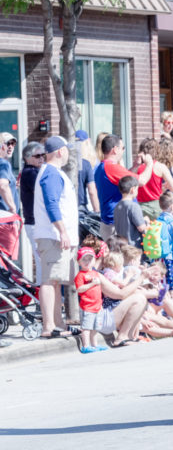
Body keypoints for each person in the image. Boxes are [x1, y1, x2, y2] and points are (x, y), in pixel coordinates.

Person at [34, 136, 80, 338]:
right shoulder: (51, 174)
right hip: (54, 235)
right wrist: (62, 231)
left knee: (55, 280)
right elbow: (52, 204)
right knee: (50, 279)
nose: (69, 152)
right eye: (67, 149)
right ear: (60, 151)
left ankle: (57, 323)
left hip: (54, 235)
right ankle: (49, 326)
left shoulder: (52, 173)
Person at [135, 137, 173, 220]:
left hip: (140, 206)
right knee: (157, 231)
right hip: (156, 206)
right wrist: (163, 187)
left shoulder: (136, 167)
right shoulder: (160, 167)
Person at [73, 247, 107, 353]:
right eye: (84, 259)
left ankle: (94, 344)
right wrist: (92, 284)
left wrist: (100, 304)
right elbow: (79, 289)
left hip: (97, 306)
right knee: (86, 328)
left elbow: (99, 290)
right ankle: (85, 346)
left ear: (94, 260)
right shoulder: (80, 275)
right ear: (79, 262)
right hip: (87, 306)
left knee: (95, 328)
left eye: (90, 259)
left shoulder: (95, 273)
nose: (87, 262)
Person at [113, 175, 146, 247]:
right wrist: (146, 221)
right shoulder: (133, 206)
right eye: (137, 189)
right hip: (133, 247)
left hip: (121, 245)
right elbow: (141, 227)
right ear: (133, 189)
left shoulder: (117, 206)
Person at [19, 141, 45, 226]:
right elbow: (42, 193)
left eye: (42, 155)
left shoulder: (35, 171)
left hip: (35, 220)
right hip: (35, 222)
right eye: (37, 156)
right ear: (27, 158)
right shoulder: (30, 172)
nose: (41, 158)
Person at [74, 130, 99, 213]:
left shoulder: (67, 163)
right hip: (83, 205)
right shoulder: (88, 163)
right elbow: (92, 191)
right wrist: (97, 211)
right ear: (88, 142)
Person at [0, 132, 17, 214]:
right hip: (4, 216)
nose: (10, 147)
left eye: (13, 144)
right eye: (8, 143)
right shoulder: (3, 164)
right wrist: (12, 207)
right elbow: (3, 185)